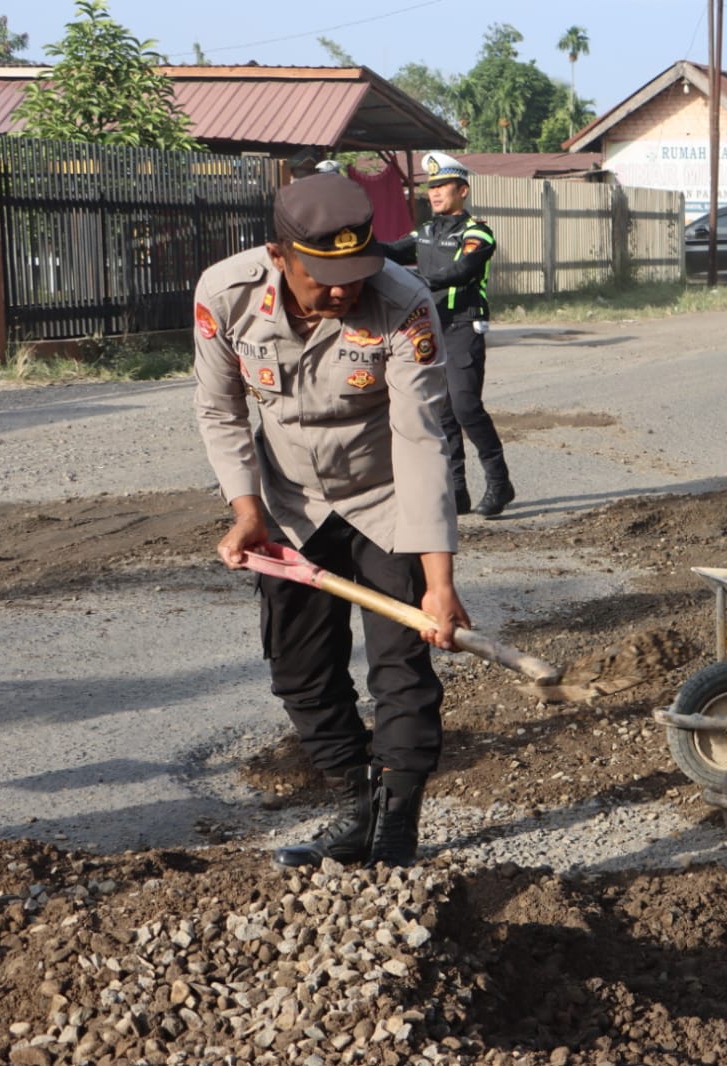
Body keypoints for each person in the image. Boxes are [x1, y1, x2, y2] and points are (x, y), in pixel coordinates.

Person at [192, 174, 464, 869]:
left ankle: (397, 823)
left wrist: (438, 581)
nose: (344, 290)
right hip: (288, 505)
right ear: (280, 256)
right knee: (300, 672)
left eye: (356, 273)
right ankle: (355, 802)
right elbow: (222, 411)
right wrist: (246, 509)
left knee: (402, 669)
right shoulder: (225, 296)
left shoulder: (403, 303)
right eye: (326, 277)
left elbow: (422, 437)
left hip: (385, 501)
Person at [386, 152, 515, 518]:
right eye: (431, 187)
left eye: (442, 186)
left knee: (465, 406)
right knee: (441, 413)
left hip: (462, 326)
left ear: (463, 190)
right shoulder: (425, 231)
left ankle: (500, 483)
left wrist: (415, 280)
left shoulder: (478, 232)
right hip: (429, 327)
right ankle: (456, 491)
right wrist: (353, 244)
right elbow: (391, 252)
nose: (435, 193)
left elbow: (461, 271)